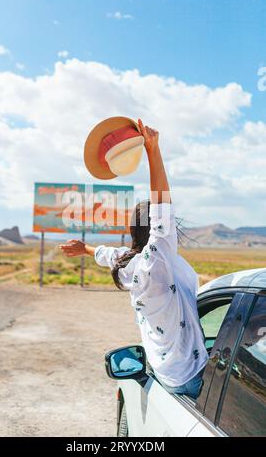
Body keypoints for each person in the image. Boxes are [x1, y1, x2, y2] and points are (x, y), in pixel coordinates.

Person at [60, 119, 208, 399]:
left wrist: (84, 249)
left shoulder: (129, 264)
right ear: (156, 230)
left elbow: (107, 255)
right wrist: (153, 150)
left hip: (164, 371)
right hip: (191, 374)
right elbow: (162, 206)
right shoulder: (158, 257)